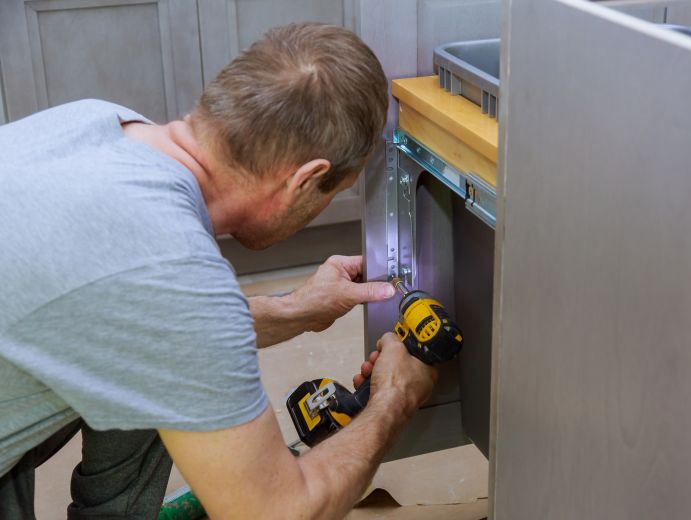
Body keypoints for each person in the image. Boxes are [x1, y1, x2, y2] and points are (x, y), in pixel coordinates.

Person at [0, 22, 437, 520]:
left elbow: (153, 314)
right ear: (305, 179)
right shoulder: (172, 266)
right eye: (333, 194)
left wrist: (295, 310)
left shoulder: (98, 124)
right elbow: (279, 511)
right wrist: (396, 397)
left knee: (160, 357)